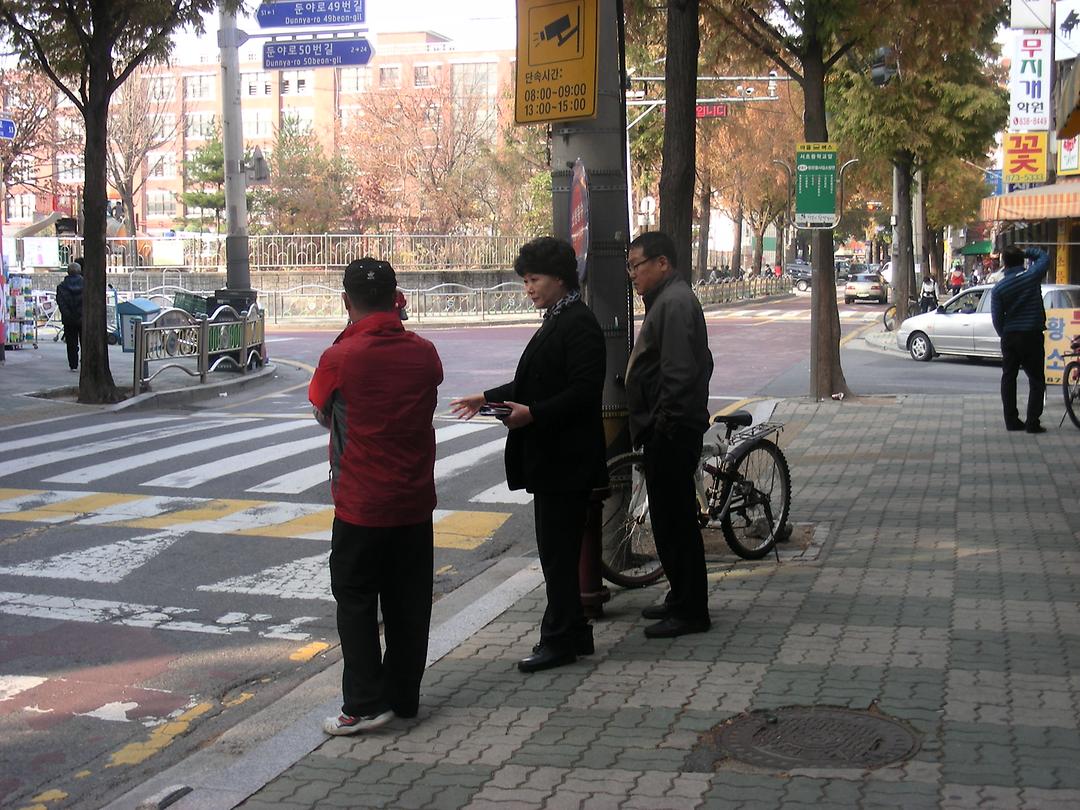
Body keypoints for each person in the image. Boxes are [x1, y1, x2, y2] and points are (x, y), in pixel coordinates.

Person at [450, 237, 606, 673]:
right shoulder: (558, 318)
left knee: (557, 556)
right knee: (558, 553)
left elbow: (583, 391)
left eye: (534, 279)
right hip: (555, 460)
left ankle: (559, 640)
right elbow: (534, 381)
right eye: (525, 281)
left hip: (566, 462)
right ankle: (575, 633)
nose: (529, 288)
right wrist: (487, 397)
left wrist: (533, 414)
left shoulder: (578, 323)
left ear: (559, 277)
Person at [309, 257, 444, 735]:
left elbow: (321, 410)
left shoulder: (340, 357)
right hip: (414, 500)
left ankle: (365, 704)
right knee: (410, 603)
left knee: (356, 600)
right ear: (396, 298)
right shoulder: (425, 353)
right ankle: (403, 697)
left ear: (346, 301)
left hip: (361, 504)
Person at [624, 231, 713, 638]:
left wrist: (664, 425)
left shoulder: (674, 303)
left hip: (672, 432)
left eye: (636, 266)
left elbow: (679, 374)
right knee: (668, 520)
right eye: (630, 267)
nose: (632, 274)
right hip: (669, 428)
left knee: (676, 522)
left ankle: (691, 610)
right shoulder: (667, 299)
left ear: (662, 263)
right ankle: (680, 597)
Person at [992, 246, 1050, 434]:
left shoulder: (999, 288)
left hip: (1010, 335)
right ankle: (1033, 422)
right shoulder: (1032, 276)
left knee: (1009, 377)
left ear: (1004, 263)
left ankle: (1011, 420)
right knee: (1036, 379)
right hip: (1032, 334)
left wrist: (1004, 334)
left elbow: (997, 318)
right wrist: (1026, 251)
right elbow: (1044, 258)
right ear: (1021, 260)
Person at [55, 259, 84, 372]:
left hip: (68, 319)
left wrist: (67, 314)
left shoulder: (62, 287)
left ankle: (73, 365)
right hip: (83, 318)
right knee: (85, 342)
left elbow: (61, 303)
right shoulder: (86, 284)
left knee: (71, 343)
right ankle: (85, 361)